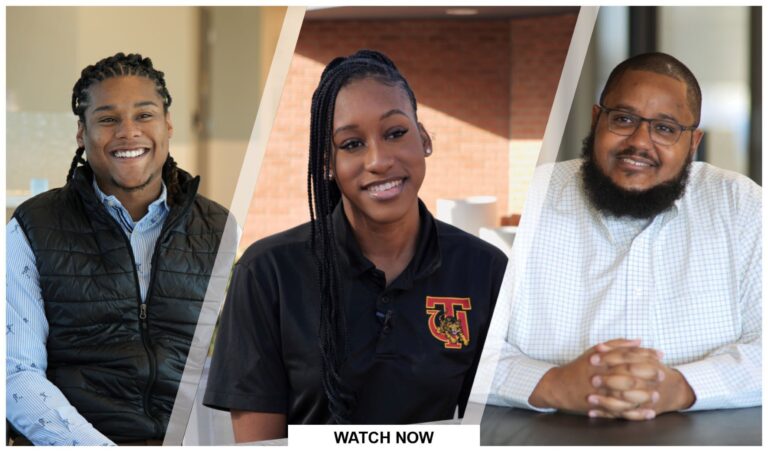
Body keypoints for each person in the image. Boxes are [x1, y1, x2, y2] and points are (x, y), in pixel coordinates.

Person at [203, 50, 508, 442]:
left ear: (425, 138)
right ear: (327, 163)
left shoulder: (484, 269)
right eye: (351, 144)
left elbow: (489, 432)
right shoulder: (267, 272)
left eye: (395, 133)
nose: (379, 160)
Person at [487, 52, 761, 421]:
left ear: (693, 143)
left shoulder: (741, 206)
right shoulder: (529, 197)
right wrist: (551, 384)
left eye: (665, 128)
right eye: (624, 119)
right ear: (597, 119)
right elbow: (456, 345)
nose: (639, 142)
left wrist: (680, 387)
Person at [6, 53, 234, 445]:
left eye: (144, 115)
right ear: (82, 132)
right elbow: (16, 373)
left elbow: (233, 373)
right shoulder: (31, 227)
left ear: (167, 125)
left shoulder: (220, 229)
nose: (129, 132)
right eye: (108, 119)